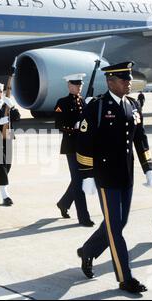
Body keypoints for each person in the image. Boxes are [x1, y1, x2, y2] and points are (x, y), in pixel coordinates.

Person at [75, 62, 152, 294]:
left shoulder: (133, 105)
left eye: (129, 79)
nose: (128, 83)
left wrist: (148, 166)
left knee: (118, 223)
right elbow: (84, 142)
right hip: (105, 175)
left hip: (126, 175)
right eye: (123, 80)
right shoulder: (97, 107)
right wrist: (87, 175)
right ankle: (125, 278)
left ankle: (88, 250)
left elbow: (140, 138)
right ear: (110, 81)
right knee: (116, 230)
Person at [52, 73, 94, 226]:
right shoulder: (61, 103)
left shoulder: (84, 101)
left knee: (80, 179)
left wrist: (91, 107)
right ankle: (84, 217)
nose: (79, 87)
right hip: (71, 145)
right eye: (76, 84)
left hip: (84, 146)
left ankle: (64, 203)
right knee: (78, 181)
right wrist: (73, 126)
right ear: (69, 86)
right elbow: (58, 124)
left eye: (81, 84)